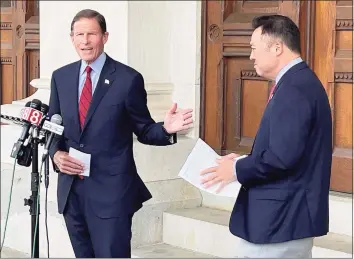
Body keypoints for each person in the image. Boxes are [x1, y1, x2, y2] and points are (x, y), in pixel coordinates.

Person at [47, 9, 193, 258]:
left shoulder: (127, 79)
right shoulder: (60, 77)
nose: (85, 41)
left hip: (111, 194)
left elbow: (144, 129)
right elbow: (54, 127)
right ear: (71, 38)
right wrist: (56, 155)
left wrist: (165, 129)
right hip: (72, 192)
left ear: (105, 36)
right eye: (79, 34)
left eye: (91, 34)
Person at [200, 15, 332, 258]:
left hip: (281, 221)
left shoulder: (294, 88)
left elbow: (281, 159)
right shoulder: (298, 82)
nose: (250, 56)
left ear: (277, 47)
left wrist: (236, 170)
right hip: (284, 221)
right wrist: (240, 160)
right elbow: (288, 149)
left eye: (253, 48)